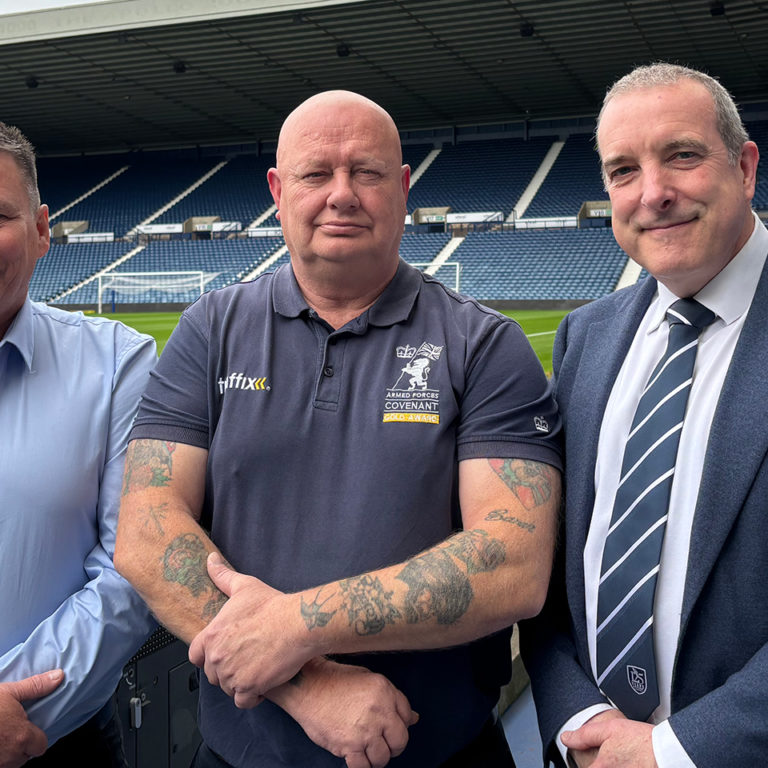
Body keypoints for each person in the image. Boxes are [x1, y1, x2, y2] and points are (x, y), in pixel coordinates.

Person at [114, 90, 562, 768]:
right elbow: (146, 529)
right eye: (316, 173)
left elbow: (513, 562)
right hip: (240, 752)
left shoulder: (485, 345)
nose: (342, 194)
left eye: (368, 172)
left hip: (438, 751)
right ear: (277, 189)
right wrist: (304, 680)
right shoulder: (209, 330)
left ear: (404, 188)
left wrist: (294, 626)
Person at [520, 62, 766, 768]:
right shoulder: (586, 337)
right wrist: (578, 717)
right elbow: (554, 564)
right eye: (623, 170)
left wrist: (675, 750)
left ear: (745, 167)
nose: (653, 194)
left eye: (682, 156)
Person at [0, 121, 157, 766]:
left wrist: (13, 704)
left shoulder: (119, 364)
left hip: (55, 741)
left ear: (41, 231)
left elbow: (132, 567)